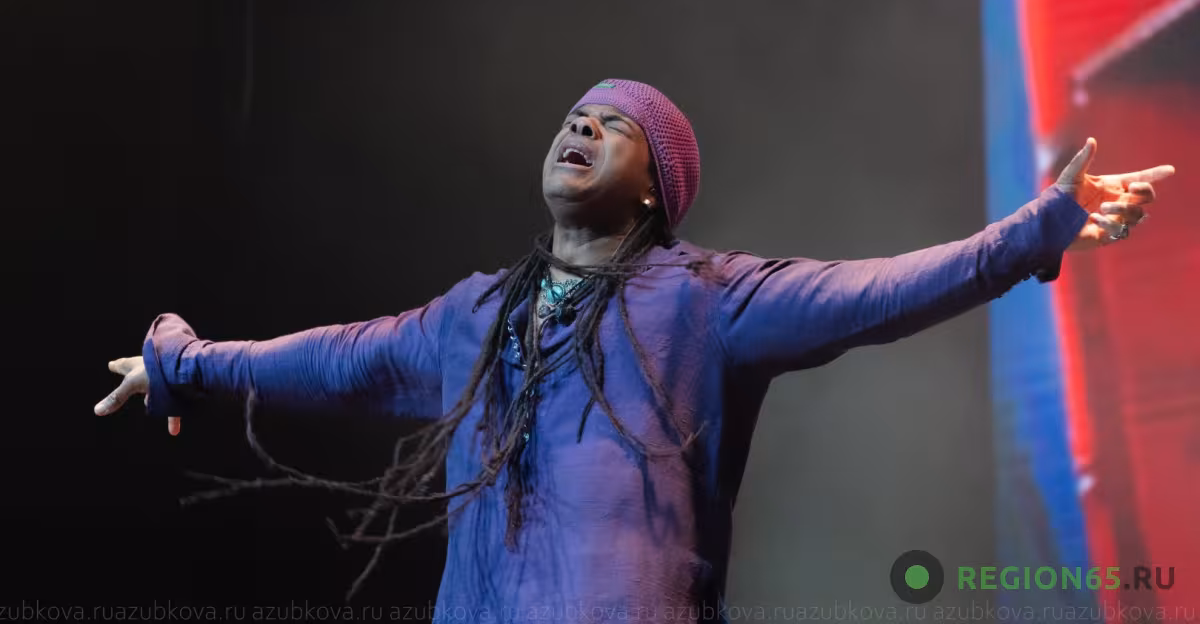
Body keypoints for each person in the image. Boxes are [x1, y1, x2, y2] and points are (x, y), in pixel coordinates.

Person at [94, 79, 1174, 621]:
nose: (579, 127)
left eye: (611, 124)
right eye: (573, 115)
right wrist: (186, 361)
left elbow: (880, 292)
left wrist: (1038, 228)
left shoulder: (708, 299)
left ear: (657, 184)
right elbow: (338, 359)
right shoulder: (475, 315)